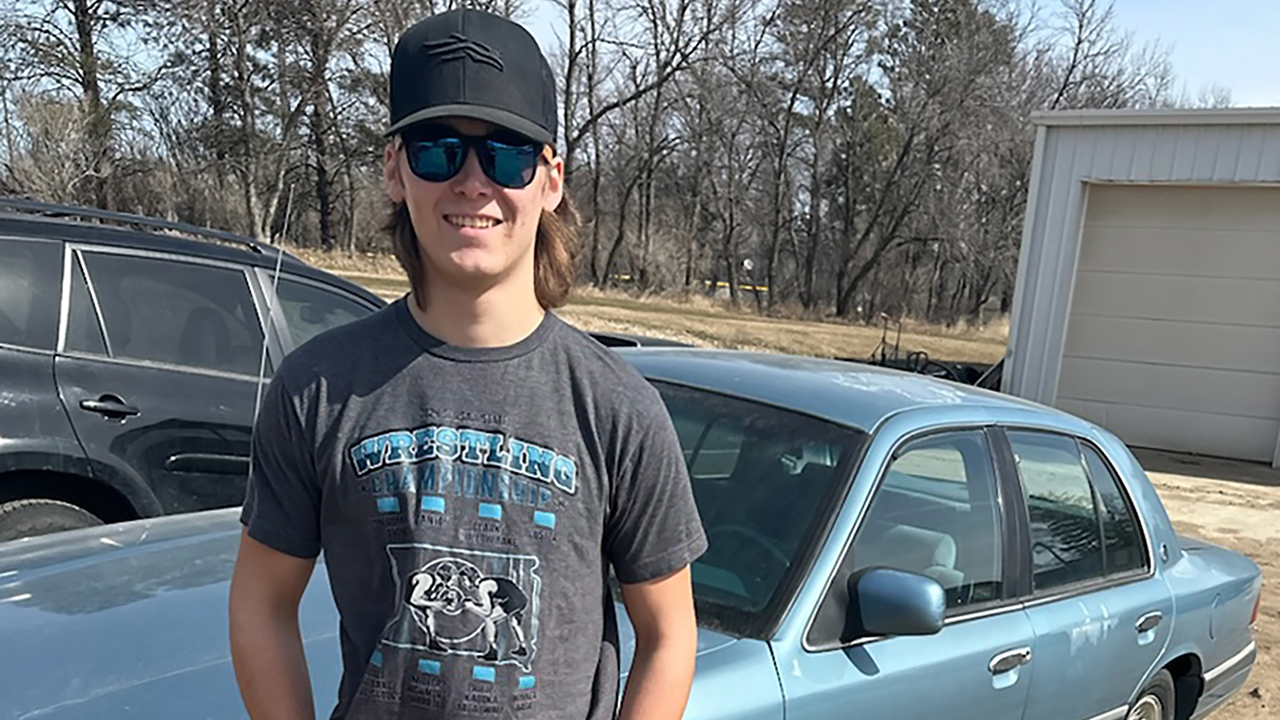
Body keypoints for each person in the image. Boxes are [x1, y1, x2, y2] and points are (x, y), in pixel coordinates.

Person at [227, 7, 707, 720]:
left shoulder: (617, 407)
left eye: (507, 153)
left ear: (550, 180)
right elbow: (261, 603)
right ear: (395, 169)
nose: (473, 182)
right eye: (439, 150)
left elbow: (668, 635)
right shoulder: (317, 390)